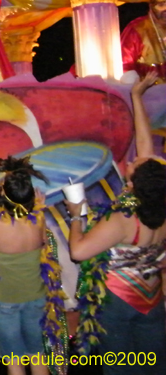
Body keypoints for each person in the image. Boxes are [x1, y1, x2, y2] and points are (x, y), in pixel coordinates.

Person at [66, 73, 166, 373]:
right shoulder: (159, 204)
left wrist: (75, 214)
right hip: (152, 296)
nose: (132, 160)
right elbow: (147, 151)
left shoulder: (124, 219)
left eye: (132, 167)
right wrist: (136, 96)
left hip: (118, 302)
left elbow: (79, 252)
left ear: (133, 185)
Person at [0, 156, 63, 375]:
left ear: (3, 194)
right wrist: (37, 205)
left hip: (5, 299)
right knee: (37, 354)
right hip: (36, 297)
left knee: (14, 359)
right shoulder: (38, 218)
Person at [120, 0, 166, 83]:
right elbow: (125, 64)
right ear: (151, 6)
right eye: (160, 5)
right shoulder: (138, 28)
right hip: (149, 93)